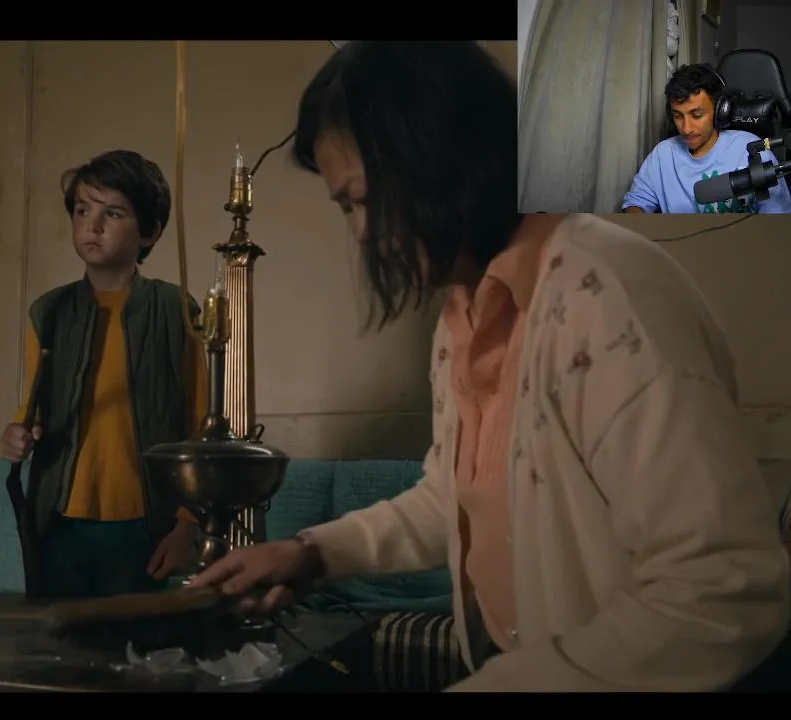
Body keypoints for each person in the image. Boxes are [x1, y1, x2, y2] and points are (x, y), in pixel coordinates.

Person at [190, 41, 791, 692]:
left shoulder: (605, 294)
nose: (361, 233)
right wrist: (310, 553)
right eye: (347, 209)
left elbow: (721, 589)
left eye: (361, 200)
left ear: (439, 157)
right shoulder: (464, 313)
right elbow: (453, 498)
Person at [0, 149, 207, 600]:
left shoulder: (174, 310)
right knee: (58, 639)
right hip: (58, 519)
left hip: (146, 523)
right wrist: (17, 434)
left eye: (112, 213)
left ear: (149, 231)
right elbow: (36, 404)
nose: (92, 225)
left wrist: (188, 526)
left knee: (134, 640)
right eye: (82, 210)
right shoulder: (49, 311)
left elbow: (201, 423)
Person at [621, 63, 791, 214]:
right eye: (678, 116)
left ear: (719, 110)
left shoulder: (751, 150)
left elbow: (776, 215)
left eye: (696, 115)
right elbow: (636, 203)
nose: (686, 128)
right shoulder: (663, 155)